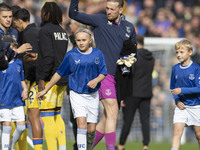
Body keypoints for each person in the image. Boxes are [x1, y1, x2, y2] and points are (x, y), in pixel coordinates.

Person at [69, 0, 137, 149]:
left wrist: (130, 59)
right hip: (102, 74)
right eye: (107, 8)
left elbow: (133, 51)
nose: (108, 12)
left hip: (118, 77)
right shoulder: (100, 20)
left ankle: (87, 147)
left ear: (120, 10)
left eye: (112, 9)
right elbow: (72, 14)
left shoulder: (129, 27)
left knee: (108, 118)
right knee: (112, 111)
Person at [37, 28, 107, 150]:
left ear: (90, 40)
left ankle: (89, 145)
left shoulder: (97, 54)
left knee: (91, 130)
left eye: (84, 40)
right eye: (78, 40)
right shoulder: (71, 55)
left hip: (92, 95)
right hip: (76, 94)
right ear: (75, 41)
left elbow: (103, 73)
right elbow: (59, 73)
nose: (81, 42)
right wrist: (46, 89)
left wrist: (96, 80)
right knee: (81, 124)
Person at [36, 2, 68, 150]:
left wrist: (41, 78)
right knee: (57, 116)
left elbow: (48, 57)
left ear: (46, 13)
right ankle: (61, 147)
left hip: (50, 79)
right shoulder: (62, 31)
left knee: (47, 117)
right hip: (62, 78)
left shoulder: (44, 31)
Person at [116, 35, 155, 150]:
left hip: (132, 93)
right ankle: (145, 145)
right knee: (145, 120)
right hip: (147, 92)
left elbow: (127, 76)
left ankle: (121, 145)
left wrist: (122, 95)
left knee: (127, 120)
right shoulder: (151, 57)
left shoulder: (132, 58)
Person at [12, 8, 42, 150]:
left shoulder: (27, 35)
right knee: (32, 117)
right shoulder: (39, 31)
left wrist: (27, 83)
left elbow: (30, 61)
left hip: (30, 82)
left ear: (19, 21)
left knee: (25, 118)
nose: (14, 26)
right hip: (39, 79)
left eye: (14, 23)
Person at [170, 39, 200, 150]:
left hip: (196, 106)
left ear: (190, 52)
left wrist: (182, 90)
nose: (178, 55)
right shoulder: (175, 69)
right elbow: (173, 88)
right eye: (177, 52)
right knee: (177, 132)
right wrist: (177, 100)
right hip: (181, 107)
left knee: (198, 135)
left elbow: (199, 88)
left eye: (181, 52)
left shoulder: (197, 69)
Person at [0, 54, 28, 150]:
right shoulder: (1, 63)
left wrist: (25, 89)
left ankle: (11, 145)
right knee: (7, 127)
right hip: (4, 101)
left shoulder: (18, 63)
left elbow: (22, 79)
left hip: (17, 100)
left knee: (21, 127)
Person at [68, 19, 87, 150]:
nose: (69, 25)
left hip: (84, 87)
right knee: (73, 118)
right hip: (73, 86)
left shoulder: (86, 45)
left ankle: (83, 144)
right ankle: (79, 144)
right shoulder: (73, 43)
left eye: (71, 23)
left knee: (83, 119)